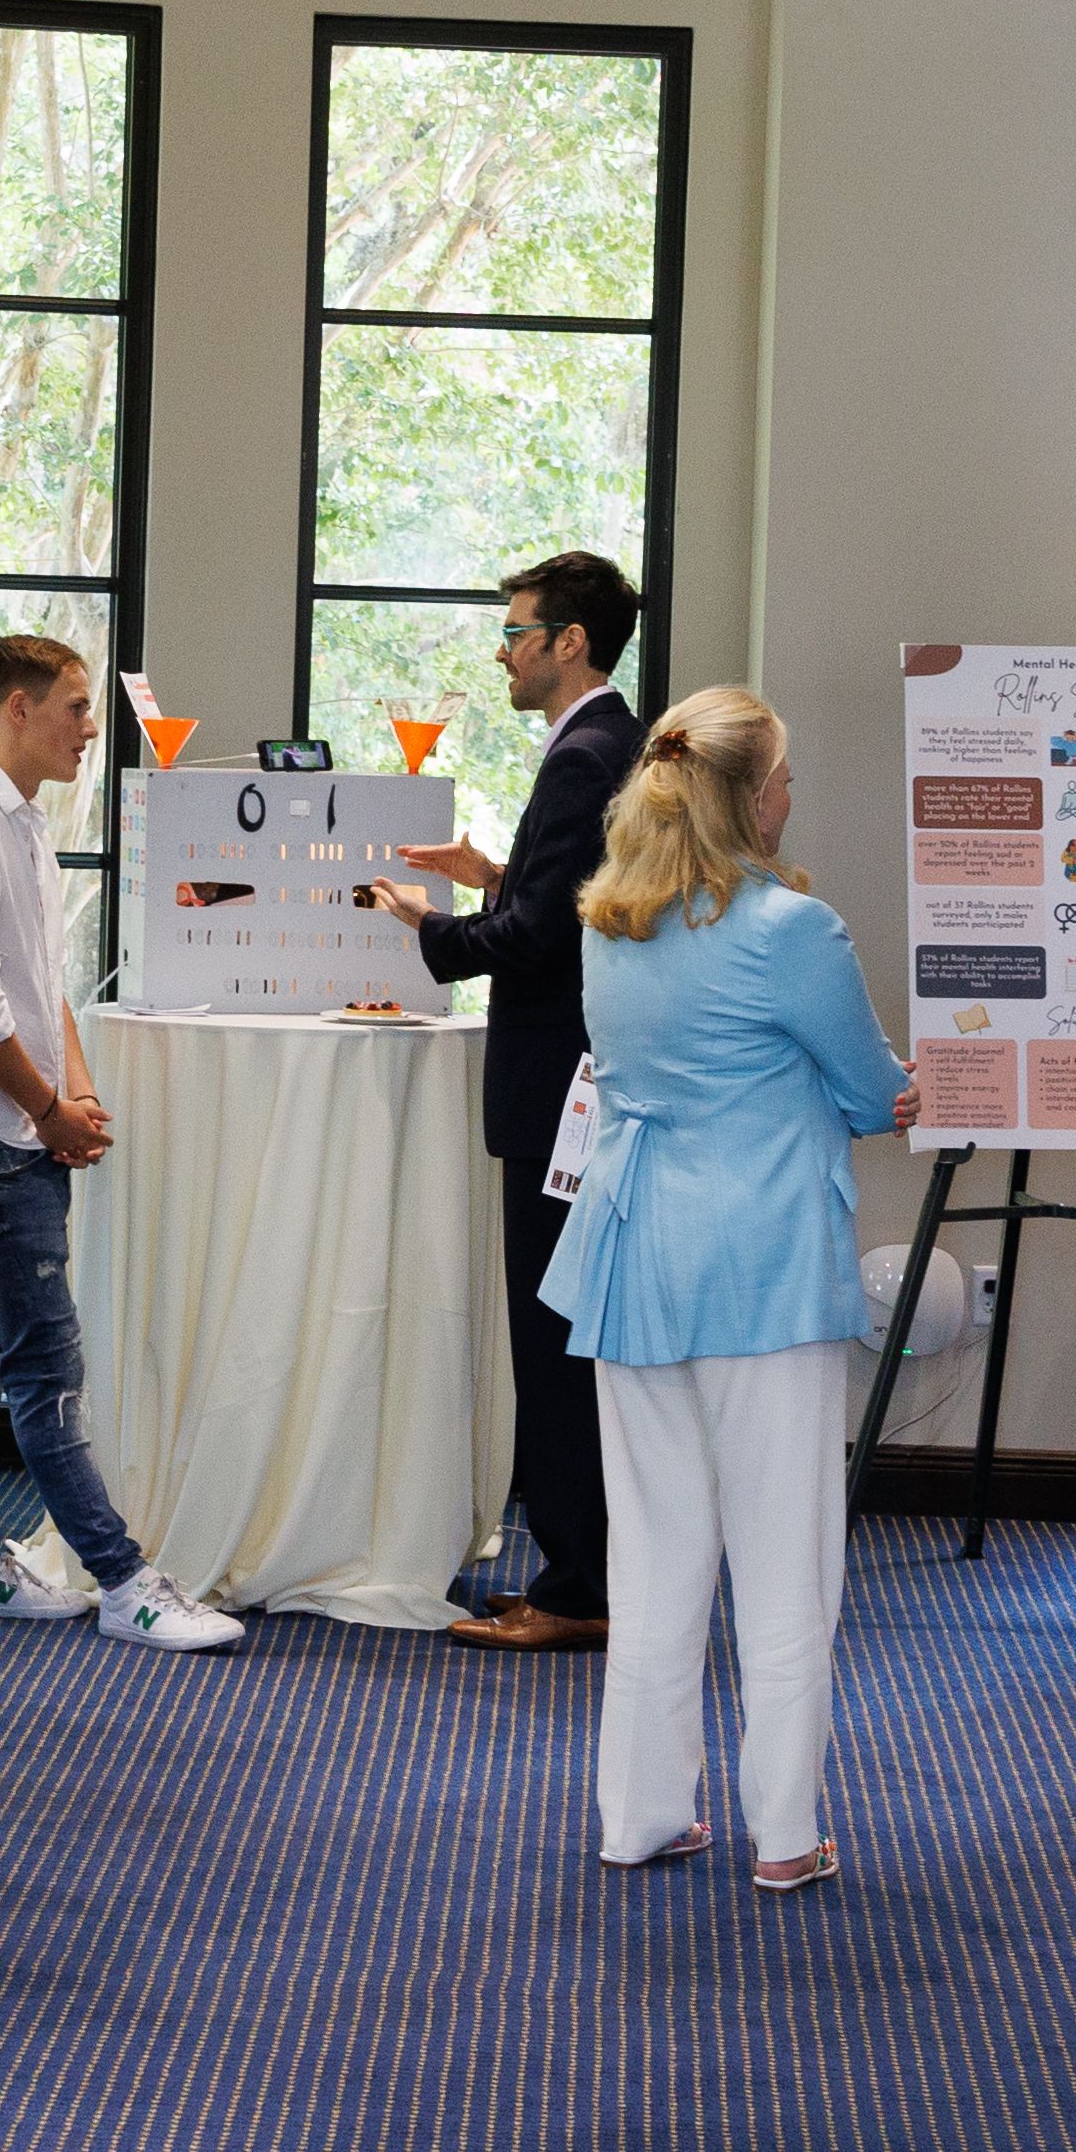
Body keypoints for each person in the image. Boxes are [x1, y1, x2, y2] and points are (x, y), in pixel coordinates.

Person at [540, 689, 911, 1886]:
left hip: (631, 1260)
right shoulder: (791, 930)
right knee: (784, 1557)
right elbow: (866, 1091)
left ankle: (639, 1816)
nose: (793, 793)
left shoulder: (607, 922)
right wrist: (888, 1088)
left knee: (652, 1559)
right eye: (786, 775)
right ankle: (787, 1835)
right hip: (757, 1270)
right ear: (751, 795)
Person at [0, 633, 243, 1653]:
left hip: (18, 1129)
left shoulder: (20, 824)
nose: (90, 729)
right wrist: (44, 1109)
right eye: (73, 707)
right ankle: (122, 1578)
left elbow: (33, 971)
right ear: (13, 709)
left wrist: (74, 1090)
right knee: (42, 1366)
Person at [378, 549, 649, 1652]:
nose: (501, 649)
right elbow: (567, 893)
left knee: (554, 1340)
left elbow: (545, 937)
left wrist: (425, 925)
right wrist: (490, 873)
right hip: (574, 1085)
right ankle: (577, 1571)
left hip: (557, 1091)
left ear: (566, 643)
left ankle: (578, 1590)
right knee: (564, 1335)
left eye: (515, 631)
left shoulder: (585, 753)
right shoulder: (609, 742)